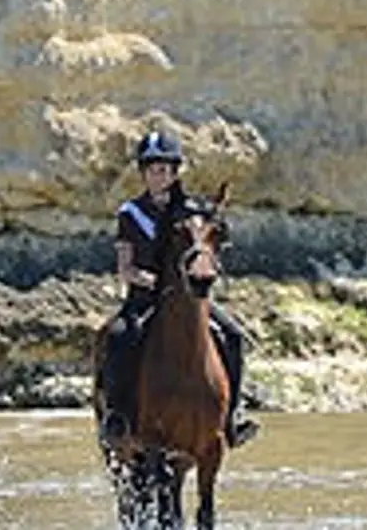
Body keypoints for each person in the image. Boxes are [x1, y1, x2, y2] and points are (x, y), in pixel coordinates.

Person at [96, 130, 259, 449]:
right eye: (153, 170)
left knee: (234, 335)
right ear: (143, 173)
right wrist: (151, 281)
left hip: (188, 297)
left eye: (166, 170)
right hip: (145, 297)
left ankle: (232, 416)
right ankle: (117, 416)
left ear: (174, 173)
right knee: (118, 336)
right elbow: (125, 268)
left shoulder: (190, 212)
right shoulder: (130, 213)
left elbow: (207, 244)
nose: (160, 177)